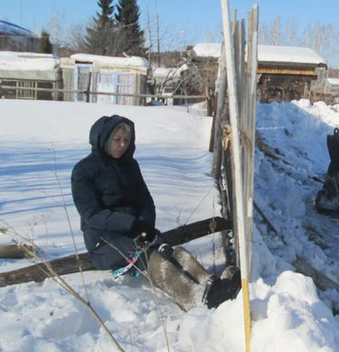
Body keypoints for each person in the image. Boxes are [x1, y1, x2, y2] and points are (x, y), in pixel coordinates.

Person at [71, 114, 239, 310]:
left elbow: (145, 200)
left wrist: (145, 225)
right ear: (104, 139)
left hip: (135, 231)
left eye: (126, 140)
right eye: (117, 140)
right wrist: (132, 224)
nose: (122, 145)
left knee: (167, 249)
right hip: (103, 241)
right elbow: (92, 215)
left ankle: (211, 284)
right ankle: (194, 297)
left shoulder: (130, 166)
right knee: (149, 256)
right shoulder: (83, 171)